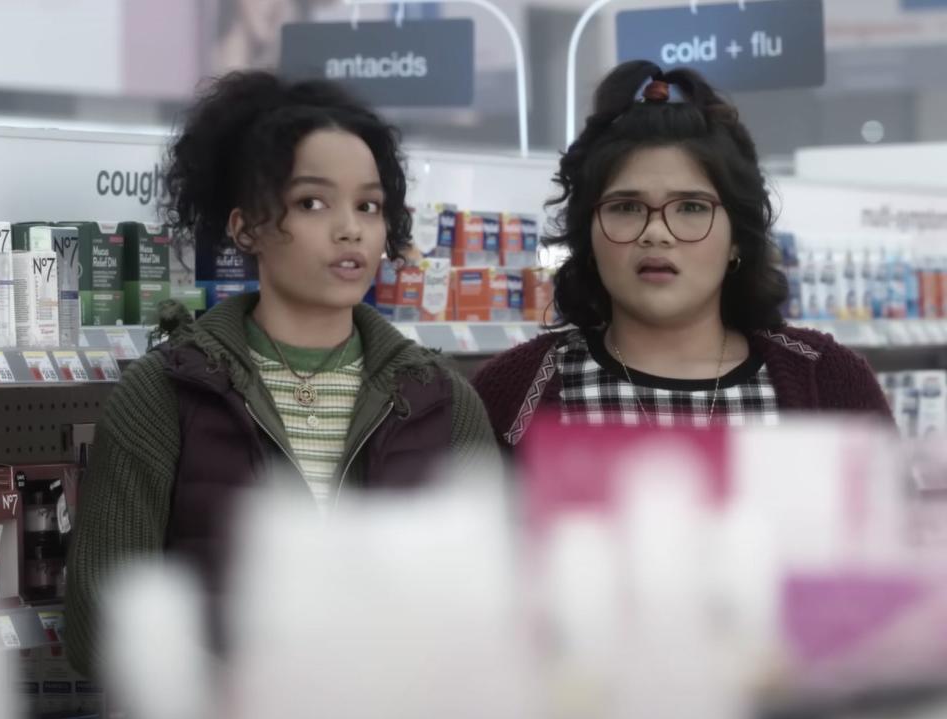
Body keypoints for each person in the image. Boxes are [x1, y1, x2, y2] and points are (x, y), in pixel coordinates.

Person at [66, 71, 495, 676]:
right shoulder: (163, 394)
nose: (350, 228)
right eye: (312, 202)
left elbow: (487, 619)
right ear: (245, 227)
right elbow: (101, 625)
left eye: (368, 205)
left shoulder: (442, 401)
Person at [473, 61, 892, 448]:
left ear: (737, 238)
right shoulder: (516, 391)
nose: (656, 234)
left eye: (691, 207)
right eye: (626, 207)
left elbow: (892, 525)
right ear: (588, 234)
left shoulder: (829, 380)